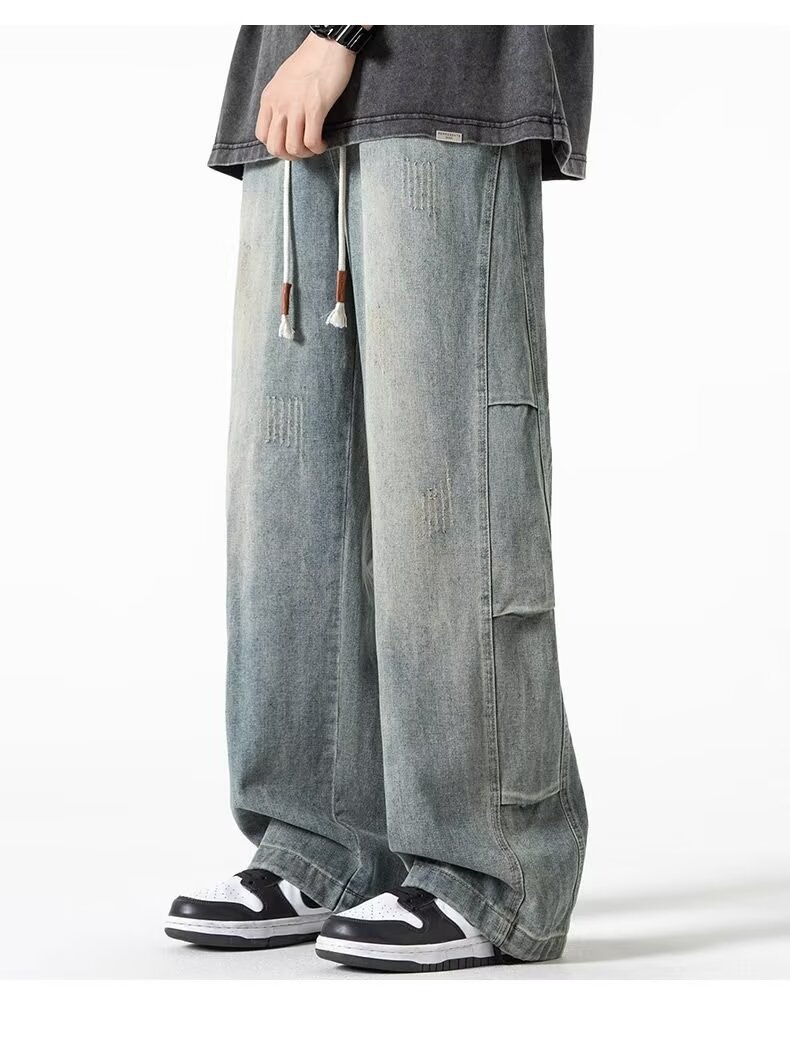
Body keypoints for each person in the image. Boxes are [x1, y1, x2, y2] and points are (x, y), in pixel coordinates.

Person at [165, 24, 593, 973]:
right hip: (286, 85)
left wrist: (341, 32)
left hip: (440, 68)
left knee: (445, 486)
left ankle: (491, 872)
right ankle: (319, 844)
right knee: (286, 498)